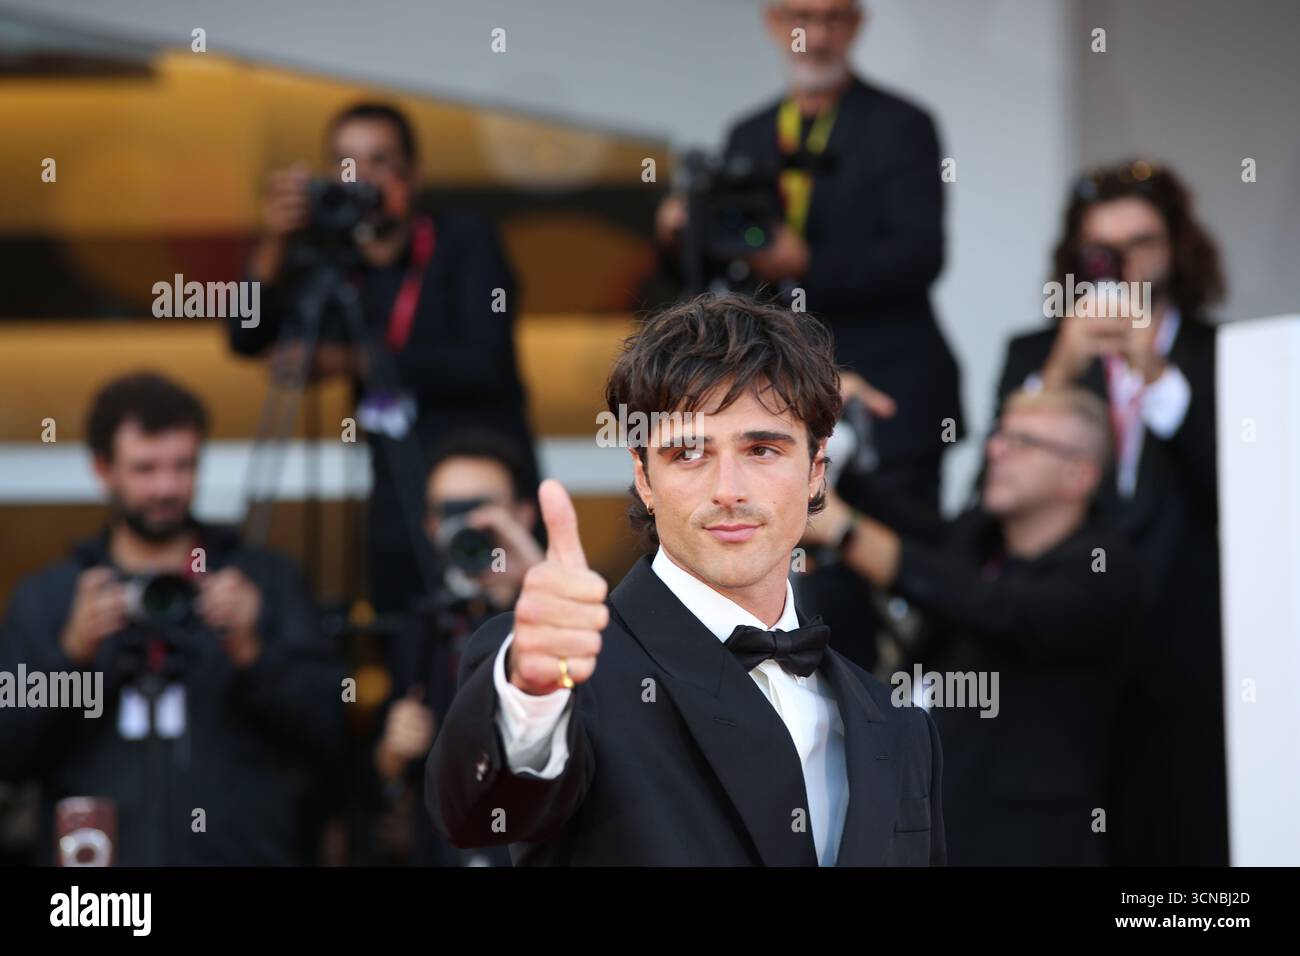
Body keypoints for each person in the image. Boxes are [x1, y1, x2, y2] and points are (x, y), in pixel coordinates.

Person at [426, 293, 944, 866]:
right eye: (689, 453)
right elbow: (479, 813)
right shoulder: (570, 677)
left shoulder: (897, 726)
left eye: (763, 449)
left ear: (816, 474)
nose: (729, 488)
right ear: (644, 479)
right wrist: (534, 692)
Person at [0, 373, 344, 865]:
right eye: (145, 468)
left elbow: (330, 737)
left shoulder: (263, 581)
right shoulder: (54, 597)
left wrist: (252, 653)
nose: (166, 486)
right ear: (103, 470)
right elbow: (10, 754)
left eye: (183, 466)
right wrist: (70, 655)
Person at [992, 160, 1226, 865]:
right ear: (1077, 257)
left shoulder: (1223, 355)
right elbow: (993, 494)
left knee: (1186, 847)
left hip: (1190, 655)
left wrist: (1155, 374)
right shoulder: (1033, 355)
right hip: (1058, 650)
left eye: (1143, 243)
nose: (1123, 265)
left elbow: (1239, 497)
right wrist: (1061, 370)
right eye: (1103, 249)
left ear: (1178, 246)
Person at [806, 387, 1144, 864]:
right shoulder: (979, 538)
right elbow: (911, 531)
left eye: (1024, 442)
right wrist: (839, 431)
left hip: (1028, 840)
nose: (996, 450)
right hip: (938, 815)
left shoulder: (1103, 569)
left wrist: (845, 531)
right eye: (1000, 434)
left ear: (1079, 475)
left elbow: (987, 604)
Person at [230, 101, 538, 615]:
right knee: (406, 636)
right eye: (346, 164)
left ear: (412, 175)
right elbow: (246, 337)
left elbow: (483, 362)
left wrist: (349, 362)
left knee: (504, 637)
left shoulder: (463, 241)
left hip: (484, 491)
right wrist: (273, 245)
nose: (361, 179)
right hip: (395, 499)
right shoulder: (333, 259)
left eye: (379, 161)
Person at [656, 0, 964, 514]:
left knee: (896, 553)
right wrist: (679, 233)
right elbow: (720, 268)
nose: (816, 36)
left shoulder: (902, 125)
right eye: (801, 18)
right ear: (773, 23)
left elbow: (920, 256)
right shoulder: (749, 134)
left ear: (857, 25)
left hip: (889, 385)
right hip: (780, 382)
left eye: (833, 19)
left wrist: (806, 263)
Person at [369, 430, 541, 866]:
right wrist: (392, 751)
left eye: (481, 509)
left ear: (523, 515)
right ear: (430, 526)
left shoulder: (561, 612)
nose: (465, 526)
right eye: (449, 512)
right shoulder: (425, 626)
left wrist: (537, 578)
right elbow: (376, 779)